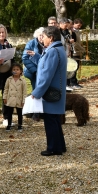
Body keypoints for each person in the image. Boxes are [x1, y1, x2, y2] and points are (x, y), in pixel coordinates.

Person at [31, 26, 67, 156]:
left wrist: (37, 92)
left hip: (51, 91)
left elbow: (46, 75)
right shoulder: (59, 49)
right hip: (56, 90)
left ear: (51, 38)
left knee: (50, 120)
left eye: (44, 36)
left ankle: (53, 148)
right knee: (55, 119)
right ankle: (60, 145)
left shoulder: (52, 51)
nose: (42, 39)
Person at [2, 63, 27, 131]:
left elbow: (24, 92)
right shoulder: (9, 79)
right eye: (14, 69)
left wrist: (23, 101)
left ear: (21, 71)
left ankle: (20, 125)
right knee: (9, 112)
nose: (15, 71)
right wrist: (5, 97)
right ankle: (9, 124)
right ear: (11, 71)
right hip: (10, 98)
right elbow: (6, 89)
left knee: (19, 113)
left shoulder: (23, 81)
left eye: (17, 69)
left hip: (19, 98)